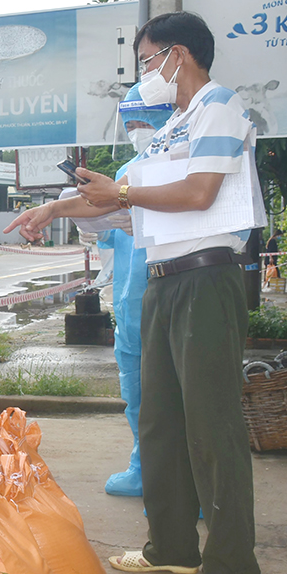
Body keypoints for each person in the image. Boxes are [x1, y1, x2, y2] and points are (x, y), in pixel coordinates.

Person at [4, 11, 261, 574]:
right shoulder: (171, 128)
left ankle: (233, 567)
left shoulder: (221, 109)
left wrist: (118, 191)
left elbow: (199, 194)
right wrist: (56, 209)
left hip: (206, 279)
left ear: (179, 55)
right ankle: (171, 545)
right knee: (160, 419)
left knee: (211, 424)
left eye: (148, 60)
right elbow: (130, 210)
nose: (145, 73)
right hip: (165, 281)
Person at [97, 86, 172, 498]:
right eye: (132, 124)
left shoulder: (181, 169)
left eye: (146, 121)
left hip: (170, 297)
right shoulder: (126, 173)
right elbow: (108, 235)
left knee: (174, 398)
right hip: (129, 305)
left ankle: (182, 484)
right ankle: (144, 468)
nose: (138, 131)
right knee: (137, 396)